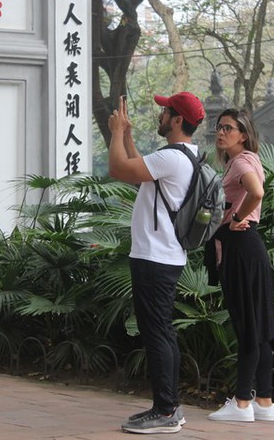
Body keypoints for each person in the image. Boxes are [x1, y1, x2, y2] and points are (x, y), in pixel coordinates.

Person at [108, 91, 205, 435]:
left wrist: (117, 131)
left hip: (155, 258)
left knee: (157, 334)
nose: (160, 114)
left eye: (166, 111)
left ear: (177, 120)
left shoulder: (173, 158)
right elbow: (139, 173)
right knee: (161, 331)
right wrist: (130, 136)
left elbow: (119, 169)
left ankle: (165, 410)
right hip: (164, 256)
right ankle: (169, 407)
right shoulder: (182, 157)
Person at [205, 107, 274, 422]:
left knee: (247, 323)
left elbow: (257, 192)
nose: (221, 133)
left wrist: (236, 217)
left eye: (229, 128)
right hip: (248, 249)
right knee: (257, 323)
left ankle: (242, 402)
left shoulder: (241, 161)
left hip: (241, 248)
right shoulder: (245, 161)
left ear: (244, 134)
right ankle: (263, 401)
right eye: (219, 127)